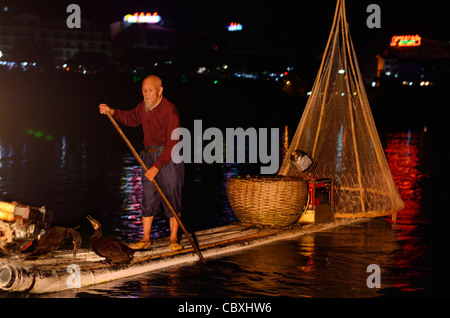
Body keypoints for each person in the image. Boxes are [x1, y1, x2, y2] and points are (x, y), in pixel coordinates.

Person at [99, 75, 184, 251]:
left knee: (172, 197)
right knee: (148, 197)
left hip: (169, 158)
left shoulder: (170, 111)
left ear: (160, 91)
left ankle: (174, 238)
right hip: (149, 156)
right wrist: (112, 111)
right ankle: (146, 238)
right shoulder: (144, 107)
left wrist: (157, 166)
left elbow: (173, 143)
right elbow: (130, 118)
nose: (146, 93)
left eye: (150, 90)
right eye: (144, 90)